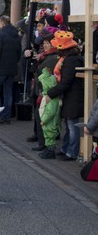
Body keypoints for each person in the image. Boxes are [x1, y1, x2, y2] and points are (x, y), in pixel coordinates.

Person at [46, 31, 84, 161]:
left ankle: (72, 152)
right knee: (69, 124)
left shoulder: (70, 61)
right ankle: (66, 149)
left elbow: (66, 82)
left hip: (73, 97)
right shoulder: (71, 59)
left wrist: (52, 93)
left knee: (72, 126)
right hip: (72, 96)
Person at [0, 15, 22, 124]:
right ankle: (7, 116)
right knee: (8, 93)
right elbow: (19, 53)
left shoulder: (0, 36)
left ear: (2, 23)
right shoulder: (16, 36)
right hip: (11, 69)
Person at [36, 67, 61, 159]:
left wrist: (44, 120)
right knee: (47, 135)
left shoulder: (51, 98)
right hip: (47, 122)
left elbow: (50, 112)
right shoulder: (48, 96)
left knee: (50, 135)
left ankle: (50, 151)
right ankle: (49, 149)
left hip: (49, 122)